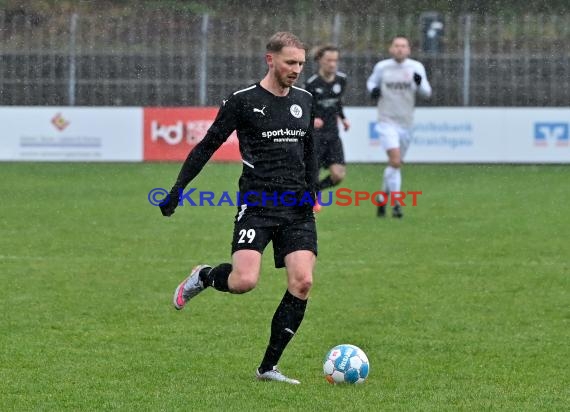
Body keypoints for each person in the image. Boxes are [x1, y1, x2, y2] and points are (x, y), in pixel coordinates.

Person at [159, 32, 318, 385]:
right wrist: (178, 189)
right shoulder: (243, 101)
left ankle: (267, 368)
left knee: (303, 281)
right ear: (270, 60)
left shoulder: (305, 100)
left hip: (296, 207)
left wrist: (313, 190)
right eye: (290, 62)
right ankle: (204, 276)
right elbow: (207, 145)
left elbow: (309, 149)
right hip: (257, 204)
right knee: (244, 281)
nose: (297, 70)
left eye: (301, 64)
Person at [366, 35, 432, 218]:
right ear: (391, 49)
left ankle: (381, 198)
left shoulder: (416, 67)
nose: (400, 49)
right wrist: (373, 90)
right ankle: (396, 204)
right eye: (396, 46)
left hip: (406, 123)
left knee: (395, 166)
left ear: (408, 50)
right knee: (395, 161)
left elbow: (427, 92)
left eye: (403, 46)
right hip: (386, 121)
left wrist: (419, 83)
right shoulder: (382, 67)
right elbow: (371, 82)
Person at [304, 45, 350, 211]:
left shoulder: (341, 80)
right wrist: (312, 119)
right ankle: (308, 207)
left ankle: (316, 190)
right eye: (329, 60)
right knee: (312, 173)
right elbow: (303, 109)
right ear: (320, 61)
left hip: (333, 135)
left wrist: (343, 118)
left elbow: (337, 102)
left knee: (338, 175)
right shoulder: (311, 84)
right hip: (315, 136)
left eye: (335, 60)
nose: (332, 64)